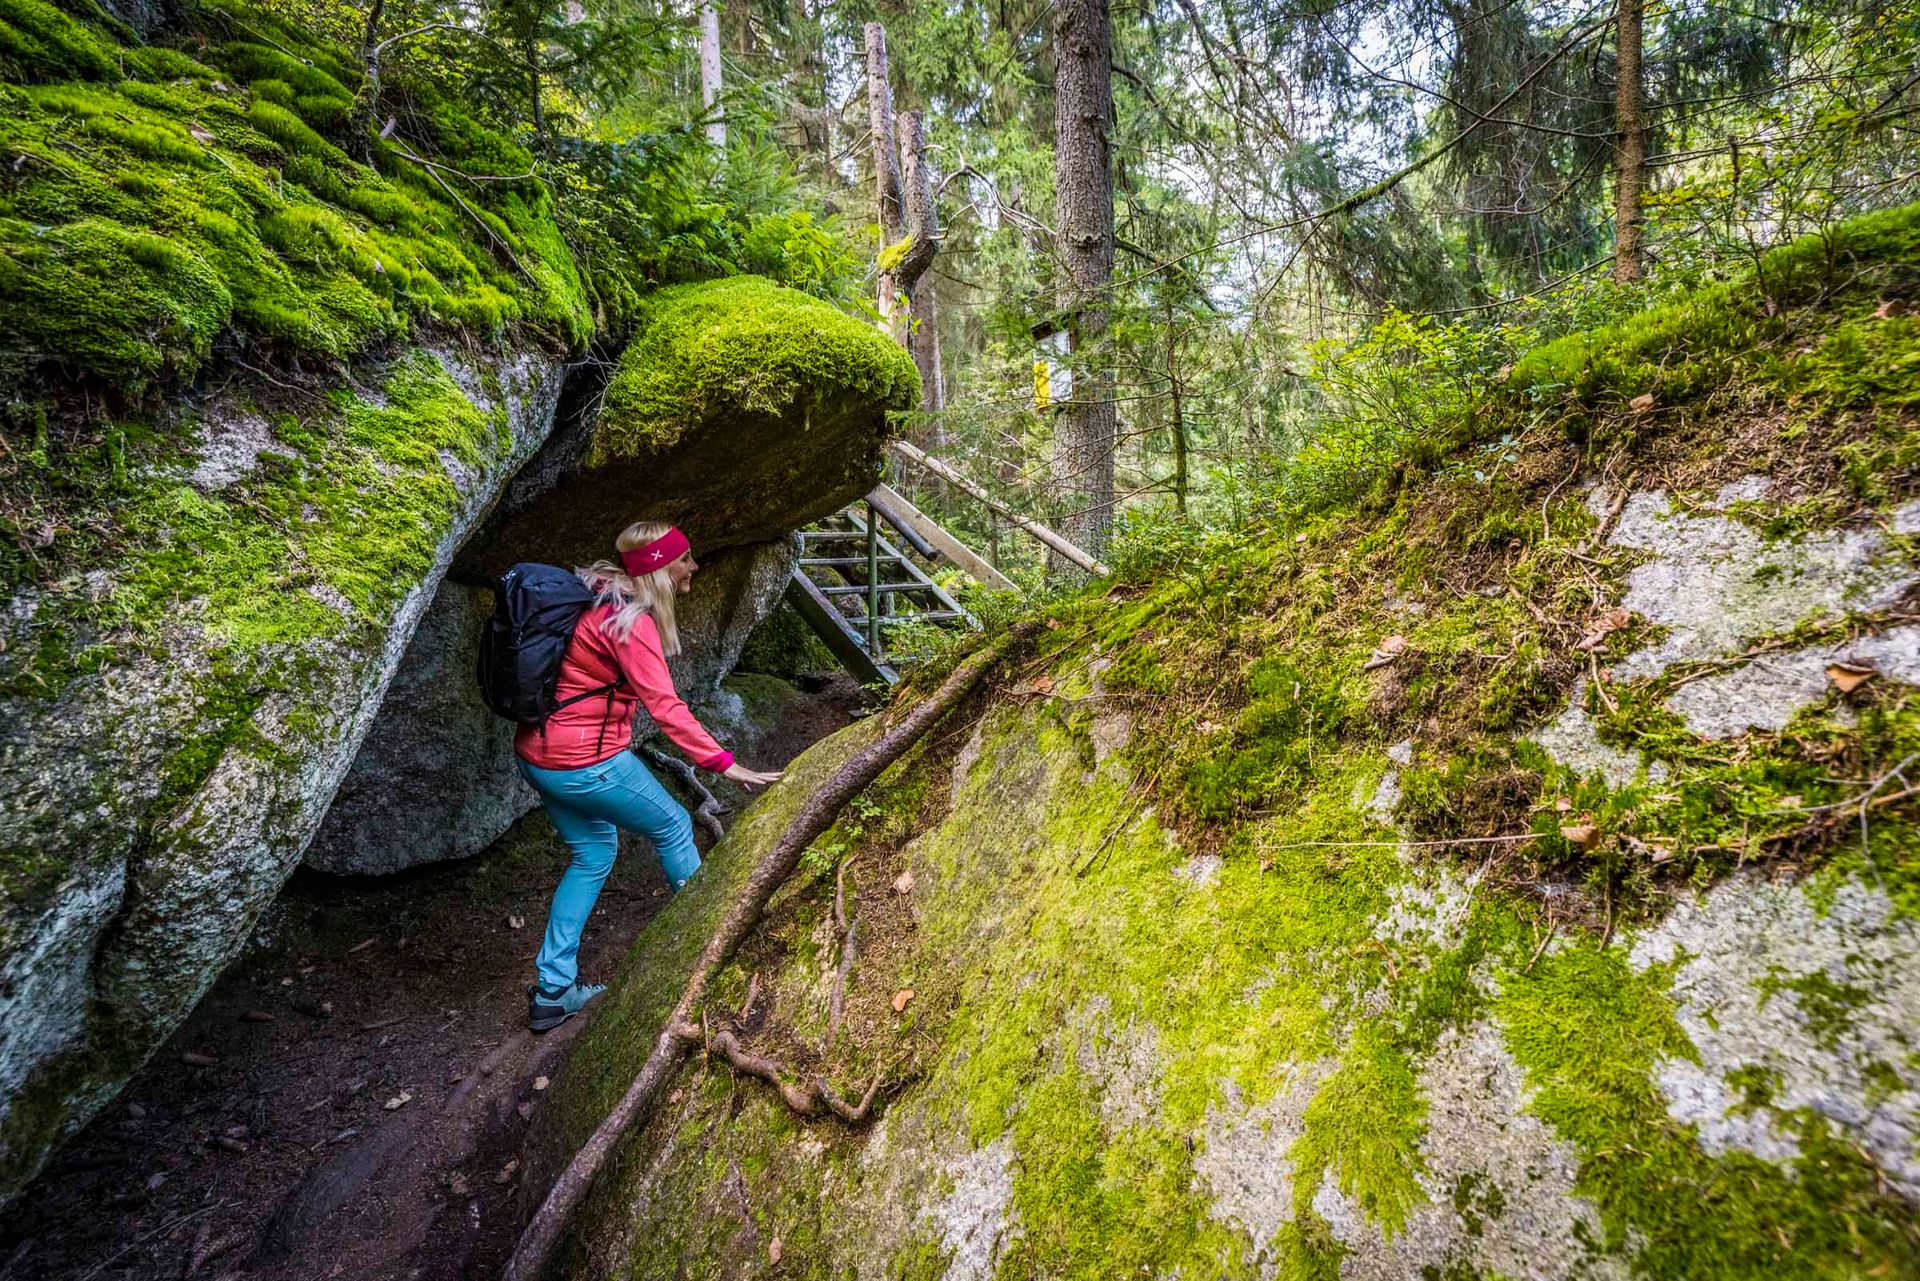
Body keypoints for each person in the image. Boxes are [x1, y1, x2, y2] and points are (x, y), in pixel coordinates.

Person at [515, 520, 781, 1031]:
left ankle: (552, 992)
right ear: (659, 566)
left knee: (592, 853)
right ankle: (718, 939)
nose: (694, 567)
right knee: (676, 826)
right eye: (685, 558)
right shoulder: (630, 621)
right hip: (584, 763)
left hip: (538, 753)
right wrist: (725, 764)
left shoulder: (593, 594)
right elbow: (666, 708)